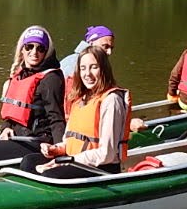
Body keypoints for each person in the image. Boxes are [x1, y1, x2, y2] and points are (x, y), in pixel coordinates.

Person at [0, 25, 67, 163]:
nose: (34, 52)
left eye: (40, 48)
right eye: (29, 47)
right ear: (22, 49)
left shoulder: (51, 79)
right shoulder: (21, 75)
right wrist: (6, 128)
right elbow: (10, 114)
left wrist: (59, 151)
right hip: (17, 138)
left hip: (37, 143)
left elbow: (56, 118)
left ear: (46, 52)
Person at [22, 46, 130, 179]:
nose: (87, 74)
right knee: (29, 162)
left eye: (94, 67)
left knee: (50, 174)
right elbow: (68, 142)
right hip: (73, 159)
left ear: (104, 69)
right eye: (83, 68)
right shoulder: (80, 99)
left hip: (100, 166)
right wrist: (55, 149)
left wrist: (67, 161)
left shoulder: (111, 100)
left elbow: (107, 154)